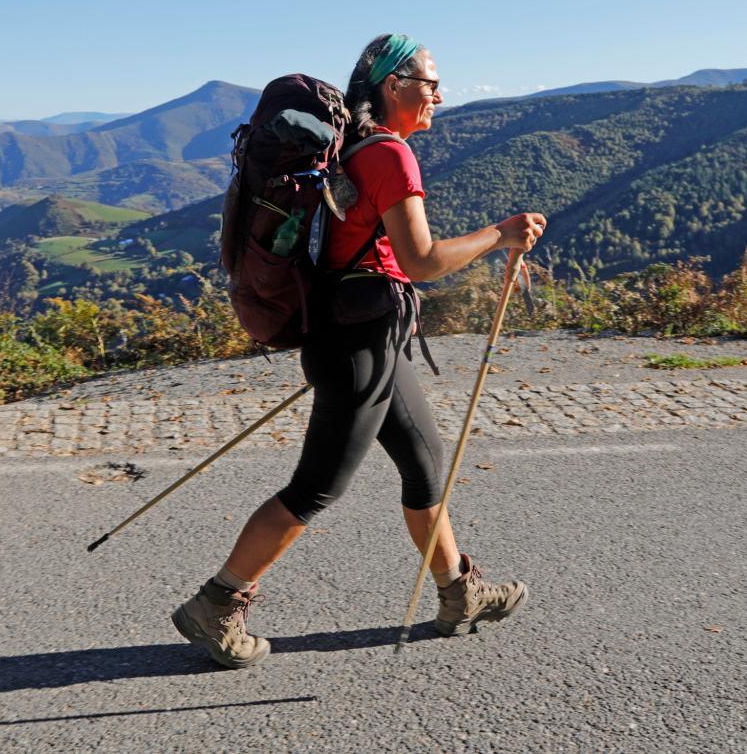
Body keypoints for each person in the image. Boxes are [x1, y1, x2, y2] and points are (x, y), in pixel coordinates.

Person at [172, 34, 548, 669]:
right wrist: (500, 234)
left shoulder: (351, 147)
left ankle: (460, 593)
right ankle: (217, 604)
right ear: (393, 86)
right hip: (357, 344)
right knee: (316, 488)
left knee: (427, 466)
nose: (439, 93)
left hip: (363, 335)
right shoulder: (390, 157)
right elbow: (422, 261)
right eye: (429, 82)